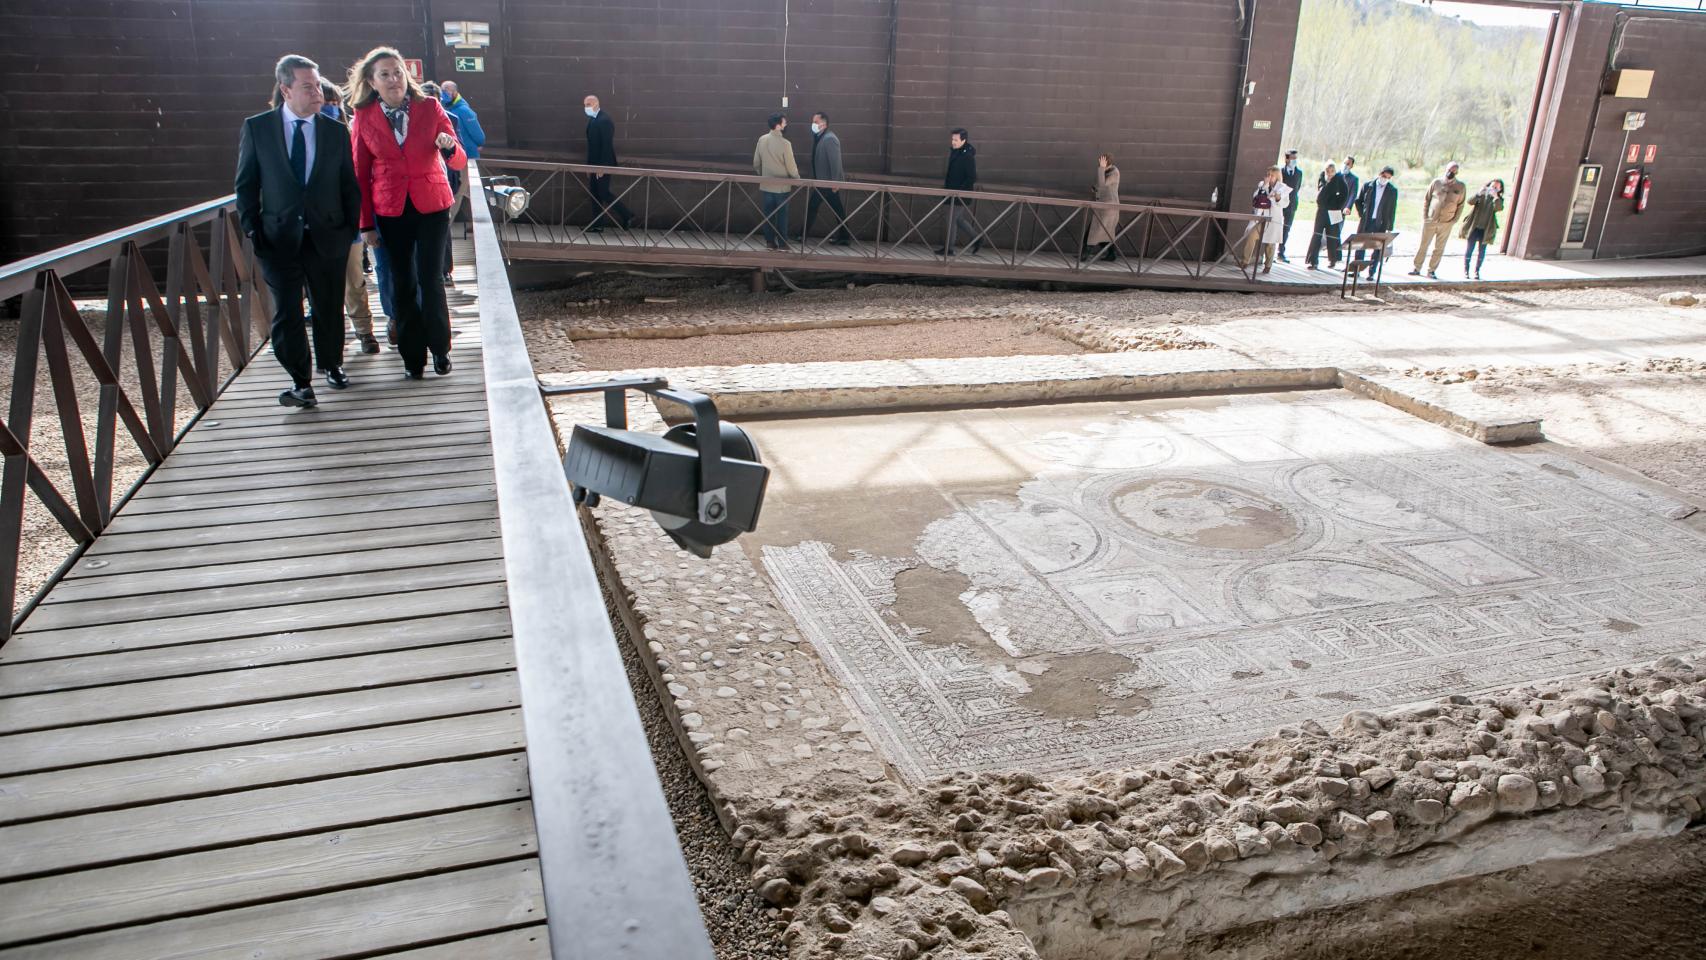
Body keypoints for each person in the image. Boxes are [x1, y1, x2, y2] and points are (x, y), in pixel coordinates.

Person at [234, 54, 360, 408]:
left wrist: (349, 227)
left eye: (318, 85)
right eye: (308, 86)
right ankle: (300, 381)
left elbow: (348, 184)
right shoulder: (258, 128)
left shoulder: (335, 131)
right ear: (286, 90)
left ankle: (332, 364)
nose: (317, 92)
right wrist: (252, 229)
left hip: (327, 234)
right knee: (287, 311)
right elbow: (246, 184)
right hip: (278, 238)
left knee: (328, 306)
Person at [349, 46, 466, 380]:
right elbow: (359, 171)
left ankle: (440, 349)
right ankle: (412, 357)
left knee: (431, 280)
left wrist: (449, 146)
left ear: (407, 75)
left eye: (397, 71)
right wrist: (365, 224)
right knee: (402, 282)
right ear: (372, 81)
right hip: (389, 207)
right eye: (384, 74)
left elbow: (458, 160)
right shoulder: (364, 114)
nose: (393, 79)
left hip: (431, 203)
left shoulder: (429, 107)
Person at [583, 95, 634, 232]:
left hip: (602, 164)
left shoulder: (604, 120)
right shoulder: (593, 120)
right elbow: (592, 146)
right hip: (594, 165)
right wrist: (589, 166)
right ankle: (597, 224)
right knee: (595, 193)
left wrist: (603, 167)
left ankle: (627, 215)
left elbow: (606, 145)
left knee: (603, 193)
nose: (586, 107)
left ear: (597, 104)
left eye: (589, 104)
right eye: (585, 104)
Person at [800, 112, 851, 246]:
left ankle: (802, 235)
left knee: (813, 207)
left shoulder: (829, 139)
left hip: (826, 183)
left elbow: (835, 162)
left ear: (824, 124)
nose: (813, 125)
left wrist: (835, 182)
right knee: (837, 210)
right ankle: (844, 237)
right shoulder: (820, 137)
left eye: (816, 122)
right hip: (823, 182)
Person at [1410, 161, 1466, 279]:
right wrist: (1425, 216)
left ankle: (1432, 270)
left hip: (1446, 222)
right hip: (1431, 219)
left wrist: (1454, 220)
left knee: (1439, 248)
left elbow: (1461, 205)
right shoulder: (1437, 182)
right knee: (1423, 245)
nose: (1451, 172)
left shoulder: (1460, 186)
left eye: (1454, 171)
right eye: (1450, 170)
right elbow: (1427, 199)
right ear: (1446, 169)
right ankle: (1416, 267)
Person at [752, 112, 799, 250]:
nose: (786, 124)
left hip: (766, 184)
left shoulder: (762, 139)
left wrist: (763, 175)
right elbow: (791, 167)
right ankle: (783, 243)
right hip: (782, 187)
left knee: (768, 215)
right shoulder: (785, 144)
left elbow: (756, 163)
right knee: (782, 216)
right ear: (778, 125)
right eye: (784, 122)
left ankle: (769, 242)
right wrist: (797, 179)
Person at [937, 128, 980, 256]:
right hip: (951, 193)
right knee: (958, 220)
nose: (953, 142)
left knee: (951, 220)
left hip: (960, 194)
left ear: (963, 140)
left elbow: (972, 177)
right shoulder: (956, 152)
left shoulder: (967, 156)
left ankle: (949, 249)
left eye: (956, 140)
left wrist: (960, 191)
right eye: (952, 139)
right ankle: (978, 239)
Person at [1304, 161, 1349, 270]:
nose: (1330, 174)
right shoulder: (1323, 179)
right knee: (1317, 235)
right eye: (1328, 171)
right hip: (1322, 211)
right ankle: (1313, 260)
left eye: (1332, 171)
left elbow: (1344, 196)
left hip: (1334, 211)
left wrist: (1338, 207)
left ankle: (1333, 259)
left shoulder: (1340, 180)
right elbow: (1320, 193)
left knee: (1332, 236)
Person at [1352, 165, 1398, 270]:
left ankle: (1372, 271)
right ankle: (1357, 269)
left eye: (1388, 178)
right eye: (1384, 176)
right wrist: (1361, 213)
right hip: (1366, 221)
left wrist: (1390, 226)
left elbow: (1392, 209)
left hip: (1381, 222)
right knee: (1360, 244)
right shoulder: (1368, 186)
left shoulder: (1392, 190)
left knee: (1377, 247)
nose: (1385, 179)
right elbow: (1358, 201)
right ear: (1379, 174)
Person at [1459, 178, 1505, 280]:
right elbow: (1470, 201)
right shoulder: (1481, 195)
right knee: (1469, 249)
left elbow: (1499, 208)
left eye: (1496, 187)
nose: (1493, 189)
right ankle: (1466, 270)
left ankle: (1477, 271)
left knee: (1482, 251)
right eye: (1492, 186)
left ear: (1500, 189)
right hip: (1474, 227)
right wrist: (1479, 193)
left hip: (1486, 229)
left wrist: (1495, 197)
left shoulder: (1498, 199)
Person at [1082, 153, 1120, 263]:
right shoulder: (1107, 171)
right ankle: (1112, 254)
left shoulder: (1114, 172)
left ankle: (1084, 256)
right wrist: (1095, 188)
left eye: (1102, 163)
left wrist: (1101, 169)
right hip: (1103, 207)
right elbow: (1099, 185)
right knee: (1104, 233)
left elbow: (1103, 186)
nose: (1100, 164)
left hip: (1109, 208)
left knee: (1093, 232)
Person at [1251, 166, 1289, 274]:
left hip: (1274, 218)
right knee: (1252, 235)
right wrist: (1264, 186)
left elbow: (1286, 204)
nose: (1269, 177)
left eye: (1272, 175)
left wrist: (1278, 198)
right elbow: (1255, 197)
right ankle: (1245, 261)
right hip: (1262, 216)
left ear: (1277, 176)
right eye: (1268, 174)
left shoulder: (1282, 187)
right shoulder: (1262, 184)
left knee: (1270, 243)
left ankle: (1268, 265)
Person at [1278, 149, 1303, 262]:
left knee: (1286, 229)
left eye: (1295, 158)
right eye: (1292, 158)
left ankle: (1281, 252)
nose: (1294, 161)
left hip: (1292, 204)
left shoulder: (1299, 173)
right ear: (1287, 159)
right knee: (1276, 226)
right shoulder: (1281, 171)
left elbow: (1297, 188)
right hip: (1280, 203)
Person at [1340, 156, 1360, 222]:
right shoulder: (1335, 175)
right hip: (1330, 207)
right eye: (1344, 163)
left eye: (1348, 164)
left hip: (1342, 209)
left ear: (1351, 166)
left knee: (1335, 230)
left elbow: (1353, 194)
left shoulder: (1354, 179)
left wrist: (1348, 207)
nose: (1345, 165)